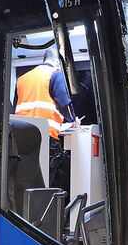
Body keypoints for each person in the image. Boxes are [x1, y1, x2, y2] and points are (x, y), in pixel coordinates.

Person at [13, 47, 79, 191]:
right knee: (52, 178)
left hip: (20, 139)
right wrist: (73, 119)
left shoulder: (21, 79)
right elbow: (64, 103)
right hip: (46, 137)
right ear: (57, 62)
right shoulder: (54, 75)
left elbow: (15, 110)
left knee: (27, 180)